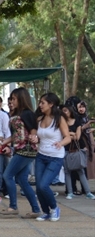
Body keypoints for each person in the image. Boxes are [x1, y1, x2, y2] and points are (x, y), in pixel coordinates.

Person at [0, 88, 41, 218]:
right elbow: (15, 135)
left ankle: (13, 206)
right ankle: (35, 209)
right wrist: (3, 143)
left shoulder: (27, 114)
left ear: (21, 99)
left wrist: (34, 138)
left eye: (14, 98)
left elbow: (33, 130)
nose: (11, 101)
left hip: (26, 149)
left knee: (7, 175)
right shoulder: (16, 114)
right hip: (20, 149)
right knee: (22, 180)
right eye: (11, 99)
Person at [30, 93, 71, 222]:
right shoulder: (40, 119)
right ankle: (46, 212)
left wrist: (60, 143)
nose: (40, 105)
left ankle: (54, 208)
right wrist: (35, 139)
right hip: (41, 156)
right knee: (39, 186)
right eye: (40, 102)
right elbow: (38, 137)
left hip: (55, 157)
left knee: (43, 185)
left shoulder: (59, 119)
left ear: (51, 104)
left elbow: (68, 137)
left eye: (43, 102)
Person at [60, 105, 95, 200]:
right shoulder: (61, 122)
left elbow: (77, 137)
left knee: (81, 171)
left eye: (66, 110)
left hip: (76, 149)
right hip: (65, 149)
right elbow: (63, 135)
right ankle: (70, 192)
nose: (64, 112)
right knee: (67, 171)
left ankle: (88, 192)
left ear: (70, 111)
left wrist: (69, 134)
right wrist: (71, 134)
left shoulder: (77, 121)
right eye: (62, 111)